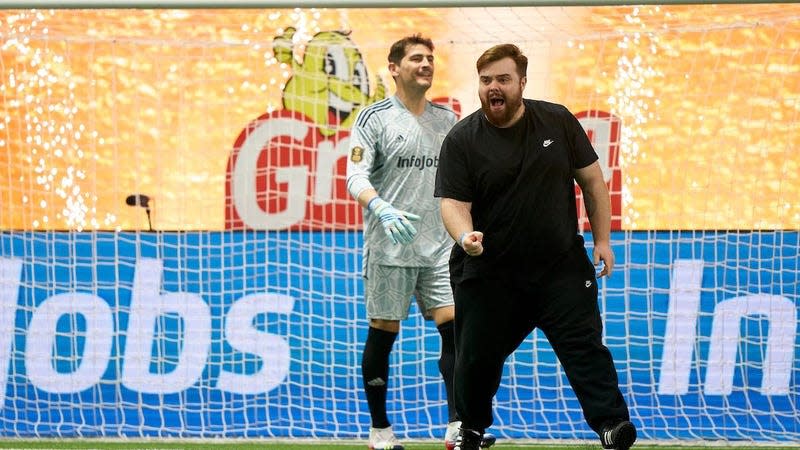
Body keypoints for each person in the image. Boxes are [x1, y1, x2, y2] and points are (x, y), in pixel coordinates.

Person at [433, 43, 637, 450]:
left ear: (522, 83)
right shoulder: (462, 140)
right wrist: (464, 237)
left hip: (558, 267)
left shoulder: (557, 121)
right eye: (486, 80)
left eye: (503, 79)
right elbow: (453, 203)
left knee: (585, 348)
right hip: (490, 273)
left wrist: (602, 240)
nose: (494, 87)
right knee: (476, 359)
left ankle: (611, 425)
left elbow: (593, 183)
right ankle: (470, 429)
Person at [346, 35, 496, 450]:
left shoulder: (448, 121)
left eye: (430, 58)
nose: (425, 64)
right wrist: (382, 208)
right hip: (390, 247)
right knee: (383, 331)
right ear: (394, 68)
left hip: (439, 249)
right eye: (416, 58)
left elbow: (467, 183)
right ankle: (379, 430)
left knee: (455, 333)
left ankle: (457, 426)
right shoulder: (373, 118)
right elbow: (355, 176)